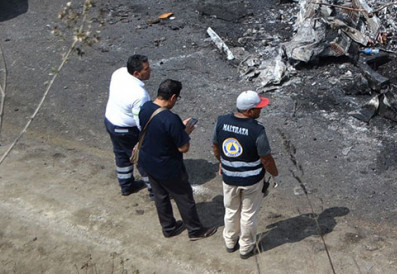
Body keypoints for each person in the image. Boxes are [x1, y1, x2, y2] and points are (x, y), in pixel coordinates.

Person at [137, 79, 217, 240]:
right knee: (184, 197)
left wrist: (177, 129)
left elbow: (156, 131)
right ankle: (195, 230)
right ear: (173, 97)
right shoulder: (170, 119)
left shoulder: (145, 108)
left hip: (148, 162)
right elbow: (183, 148)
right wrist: (185, 132)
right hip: (168, 167)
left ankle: (169, 227)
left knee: (160, 197)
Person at [211, 91, 279, 259]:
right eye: (258, 108)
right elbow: (266, 159)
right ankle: (246, 247)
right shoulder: (257, 130)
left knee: (231, 210)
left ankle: (229, 241)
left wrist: (222, 162)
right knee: (248, 214)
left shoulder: (221, 121)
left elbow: (215, 145)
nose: (260, 111)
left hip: (228, 178)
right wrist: (275, 174)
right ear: (249, 111)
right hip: (251, 181)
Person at [103, 54, 152, 196]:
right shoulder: (139, 95)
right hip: (126, 130)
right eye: (147, 69)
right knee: (142, 159)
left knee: (121, 155)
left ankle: (126, 185)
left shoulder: (118, 73)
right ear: (136, 73)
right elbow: (140, 121)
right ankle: (154, 190)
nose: (150, 71)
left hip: (111, 121)